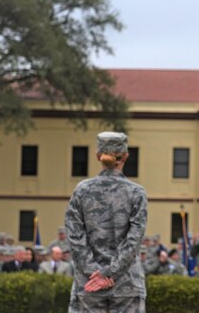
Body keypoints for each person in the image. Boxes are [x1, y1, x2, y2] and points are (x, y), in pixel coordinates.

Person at [65, 132, 148, 312]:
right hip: (126, 283)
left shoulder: (82, 191)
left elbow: (74, 237)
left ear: (98, 156)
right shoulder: (136, 193)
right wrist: (110, 272)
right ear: (125, 156)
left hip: (89, 283)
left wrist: (94, 272)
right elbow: (134, 239)